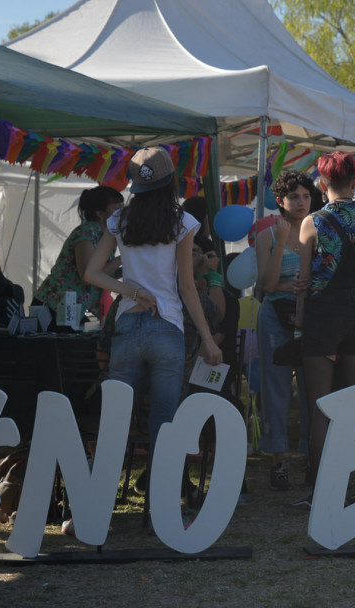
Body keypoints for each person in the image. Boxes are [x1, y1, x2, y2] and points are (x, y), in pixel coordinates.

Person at [84, 147, 222, 468]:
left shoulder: (118, 219)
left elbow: (91, 273)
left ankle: (92, 507)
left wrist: (130, 289)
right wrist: (209, 339)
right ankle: (163, 509)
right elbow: (187, 287)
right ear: (171, 180)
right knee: (165, 419)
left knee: (116, 419)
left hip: (128, 325)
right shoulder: (183, 222)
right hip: (167, 326)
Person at [289, 151, 355, 509]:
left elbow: (304, 279)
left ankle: (322, 491)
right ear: (354, 182)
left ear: (322, 184)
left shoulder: (313, 221)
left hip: (323, 313)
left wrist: (298, 316)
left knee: (321, 406)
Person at [254, 170, 312, 491]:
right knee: (274, 388)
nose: (301, 202)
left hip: (309, 315)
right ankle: (277, 461)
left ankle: (308, 455)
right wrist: (280, 243)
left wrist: (298, 285)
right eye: (294, 197)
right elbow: (268, 284)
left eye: (305, 196)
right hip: (275, 315)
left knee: (311, 387)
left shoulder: (317, 230)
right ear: (280, 201)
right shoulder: (268, 235)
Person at [32, 185, 123, 328]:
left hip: (70, 309)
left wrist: (125, 270)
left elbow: (103, 274)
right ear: (100, 213)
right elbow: (88, 275)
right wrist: (121, 259)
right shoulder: (86, 232)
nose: (122, 210)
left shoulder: (107, 236)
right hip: (53, 307)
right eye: (117, 207)